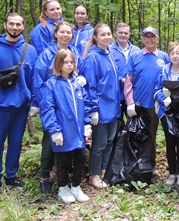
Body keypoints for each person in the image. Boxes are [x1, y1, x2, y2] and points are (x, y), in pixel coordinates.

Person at [0, 12, 38, 199]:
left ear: (23, 27)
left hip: (21, 106)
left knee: (16, 143)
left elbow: (34, 79)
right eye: (12, 24)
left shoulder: (30, 50)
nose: (15, 27)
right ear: (5, 25)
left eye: (19, 24)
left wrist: (35, 101)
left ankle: (11, 175)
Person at [32, 21, 85, 194]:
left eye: (68, 32)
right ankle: (45, 176)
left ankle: (71, 180)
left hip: (73, 107)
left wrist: (83, 80)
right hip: (54, 107)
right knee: (50, 141)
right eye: (62, 32)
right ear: (55, 34)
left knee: (75, 145)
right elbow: (38, 80)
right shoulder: (47, 54)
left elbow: (79, 73)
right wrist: (39, 103)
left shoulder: (75, 52)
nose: (65, 35)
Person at [40, 49, 91, 203]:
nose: (69, 65)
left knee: (80, 157)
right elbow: (47, 108)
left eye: (71, 62)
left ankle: (76, 186)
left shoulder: (78, 83)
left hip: (78, 129)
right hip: (63, 129)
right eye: (65, 62)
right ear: (58, 64)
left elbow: (86, 103)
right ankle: (63, 187)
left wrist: (87, 123)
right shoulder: (51, 84)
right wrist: (54, 130)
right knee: (63, 159)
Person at [124, 26, 169, 173]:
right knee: (136, 134)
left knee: (151, 134)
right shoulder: (135, 56)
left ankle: (149, 166)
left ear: (157, 39)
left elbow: (169, 78)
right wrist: (130, 102)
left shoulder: (163, 57)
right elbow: (128, 81)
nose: (149, 39)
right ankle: (134, 165)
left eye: (152, 37)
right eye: (146, 37)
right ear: (142, 39)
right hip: (138, 104)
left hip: (156, 104)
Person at [81, 23, 121, 189]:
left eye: (109, 34)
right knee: (99, 143)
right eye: (103, 35)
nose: (107, 37)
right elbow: (90, 85)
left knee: (110, 140)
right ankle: (94, 174)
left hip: (113, 106)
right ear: (95, 37)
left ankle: (104, 170)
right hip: (101, 107)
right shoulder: (93, 57)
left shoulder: (110, 54)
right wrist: (93, 109)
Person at [154, 42, 179, 186]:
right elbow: (156, 91)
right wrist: (164, 99)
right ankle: (172, 173)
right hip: (166, 112)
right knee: (170, 141)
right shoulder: (163, 71)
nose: (175, 56)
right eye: (172, 53)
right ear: (168, 55)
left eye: (178, 53)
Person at [109, 22, 140, 118]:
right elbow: (108, 70)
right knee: (117, 123)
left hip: (132, 93)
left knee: (134, 122)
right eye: (120, 32)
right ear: (115, 33)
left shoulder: (136, 50)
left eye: (126, 33)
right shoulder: (109, 50)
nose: (123, 35)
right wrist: (121, 80)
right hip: (116, 93)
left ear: (129, 34)